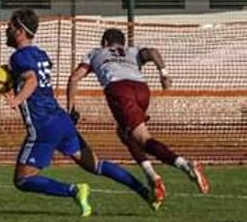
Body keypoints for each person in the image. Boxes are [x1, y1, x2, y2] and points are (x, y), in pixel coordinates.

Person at [4, 9, 154, 216]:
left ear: (20, 31)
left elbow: (32, 79)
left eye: (10, 27)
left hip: (43, 126)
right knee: (96, 165)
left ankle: (74, 190)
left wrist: (16, 99)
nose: (6, 30)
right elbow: (32, 75)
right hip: (61, 120)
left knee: (23, 179)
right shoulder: (40, 54)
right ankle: (145, 192)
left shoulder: (18, 57)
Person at [66, 28, 210, 208]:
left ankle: (186, 165)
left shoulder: (96, 52)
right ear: (123, 43)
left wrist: (71, 109)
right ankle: (152, 177)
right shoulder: (132, 51)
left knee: (143, 139)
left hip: (119, 89)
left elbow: (74, 78)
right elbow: (153, 52)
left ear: (104, 42)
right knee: (124, 133)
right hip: (142, 89)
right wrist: (163, 74)